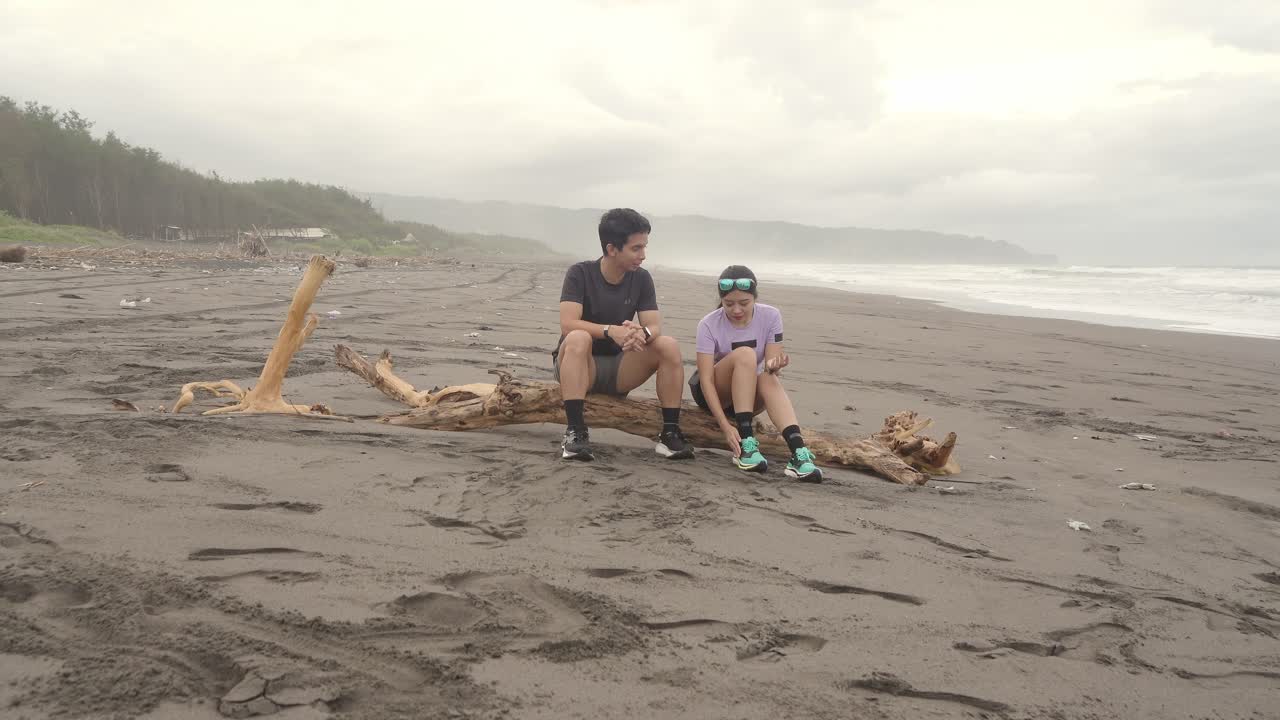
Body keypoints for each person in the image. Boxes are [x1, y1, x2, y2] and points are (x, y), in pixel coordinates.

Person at [552, 208, 694, 462]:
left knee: (668, 345)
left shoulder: (641, 279)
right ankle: (575, 433)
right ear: (612, 249)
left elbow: (654, 326)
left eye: (644, 247)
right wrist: (611, 331)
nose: (643, 255)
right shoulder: (580, 274)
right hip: (578, 366)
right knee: (578, 337)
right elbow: (568, 324)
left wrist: (641, 333)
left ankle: (670, 434)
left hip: (620, 369)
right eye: (636, 248)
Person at [690, 265, 822, 481]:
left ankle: (799, 453)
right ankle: (747, 444)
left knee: (768, 375)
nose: (736, 310)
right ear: (721, 301)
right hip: (715, 392)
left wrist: (775, 366)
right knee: (745, 355)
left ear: (755, 297)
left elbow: (770, 364)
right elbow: (705, 379)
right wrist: (724, 425)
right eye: (728, 304)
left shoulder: (771, 316)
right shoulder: (708, 324)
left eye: (744, 303)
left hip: (748, 396)